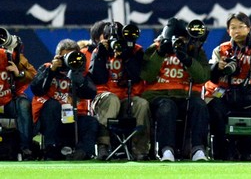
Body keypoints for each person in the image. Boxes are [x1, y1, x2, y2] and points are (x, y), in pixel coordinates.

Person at [204, 12, 251, 161]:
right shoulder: (221, 50)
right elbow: (210, 78)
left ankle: (246, 146)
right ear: (228, 31)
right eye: (233, 27)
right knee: (212, 107)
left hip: (250, 100)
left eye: (241, 27)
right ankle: (226, 146)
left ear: (249, 28)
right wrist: (218, 67)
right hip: (225, 98)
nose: (237, 31)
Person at [140, 18, 210, 162]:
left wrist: (188, 60)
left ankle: (198, 149)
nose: (179, 42)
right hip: (159, 95)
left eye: (183, 39)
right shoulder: (155, 49)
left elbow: (202, 77)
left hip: (186, 95)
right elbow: (146, 75)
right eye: (176, 39)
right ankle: (166, 150)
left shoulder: (195, 51)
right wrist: (160, 54)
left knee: (200, 105)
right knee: (167, 107)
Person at [87, 21, 151, 161]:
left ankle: (140, 150)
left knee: (142, 104)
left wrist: (127, 57)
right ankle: (103, 145)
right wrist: (100, 56)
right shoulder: (99, 51)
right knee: (111, 99)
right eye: (111, 38)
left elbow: (136, 76)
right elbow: (98, 79)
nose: (115, 42)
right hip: (104, 96)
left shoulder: (135, 50)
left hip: (128, 97)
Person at [30, 39, 98, 160]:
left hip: (72, 119)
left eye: (73, 56)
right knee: (52, 105)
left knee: (90, 121)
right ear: (58, 57)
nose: (69, 61)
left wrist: (79, 79)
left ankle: (83, 152)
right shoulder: (47, 68)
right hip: (49, 120)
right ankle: (50, 149)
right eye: (65, 57)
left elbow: (91, 93)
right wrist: (51, 71)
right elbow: (36, 89)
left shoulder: (80, 73)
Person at [0, 29, 36, 160]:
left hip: (9, 100)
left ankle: (25, 148)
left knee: (24, 104)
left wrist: (18, 73)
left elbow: (33, 75)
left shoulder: (13, 57)